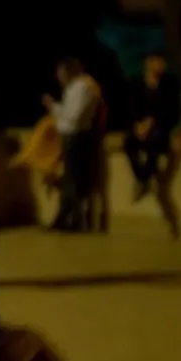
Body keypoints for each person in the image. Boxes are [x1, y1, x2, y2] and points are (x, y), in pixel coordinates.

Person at [124, 52, 181, 238]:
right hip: (141, 127)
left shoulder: (169, 85)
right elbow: (132, 107)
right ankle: (142, 178)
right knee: (128, 143)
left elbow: (171, 111)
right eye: (156, 61)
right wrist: (138, 124)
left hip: (160, 129)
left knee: (154, 144)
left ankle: (144, 180)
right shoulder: (137, 84)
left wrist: (152, 122)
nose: (160, 65)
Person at [44, 57, 101, 232]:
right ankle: (69, 218)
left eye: (60, 72)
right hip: (73, 136)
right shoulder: (76, 88)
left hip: (75, 137)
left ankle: (71, 219)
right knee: (72, 179)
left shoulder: (80, 87)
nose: (59, 76)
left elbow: (73, 115)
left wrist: (54, 108)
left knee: (73, 179)